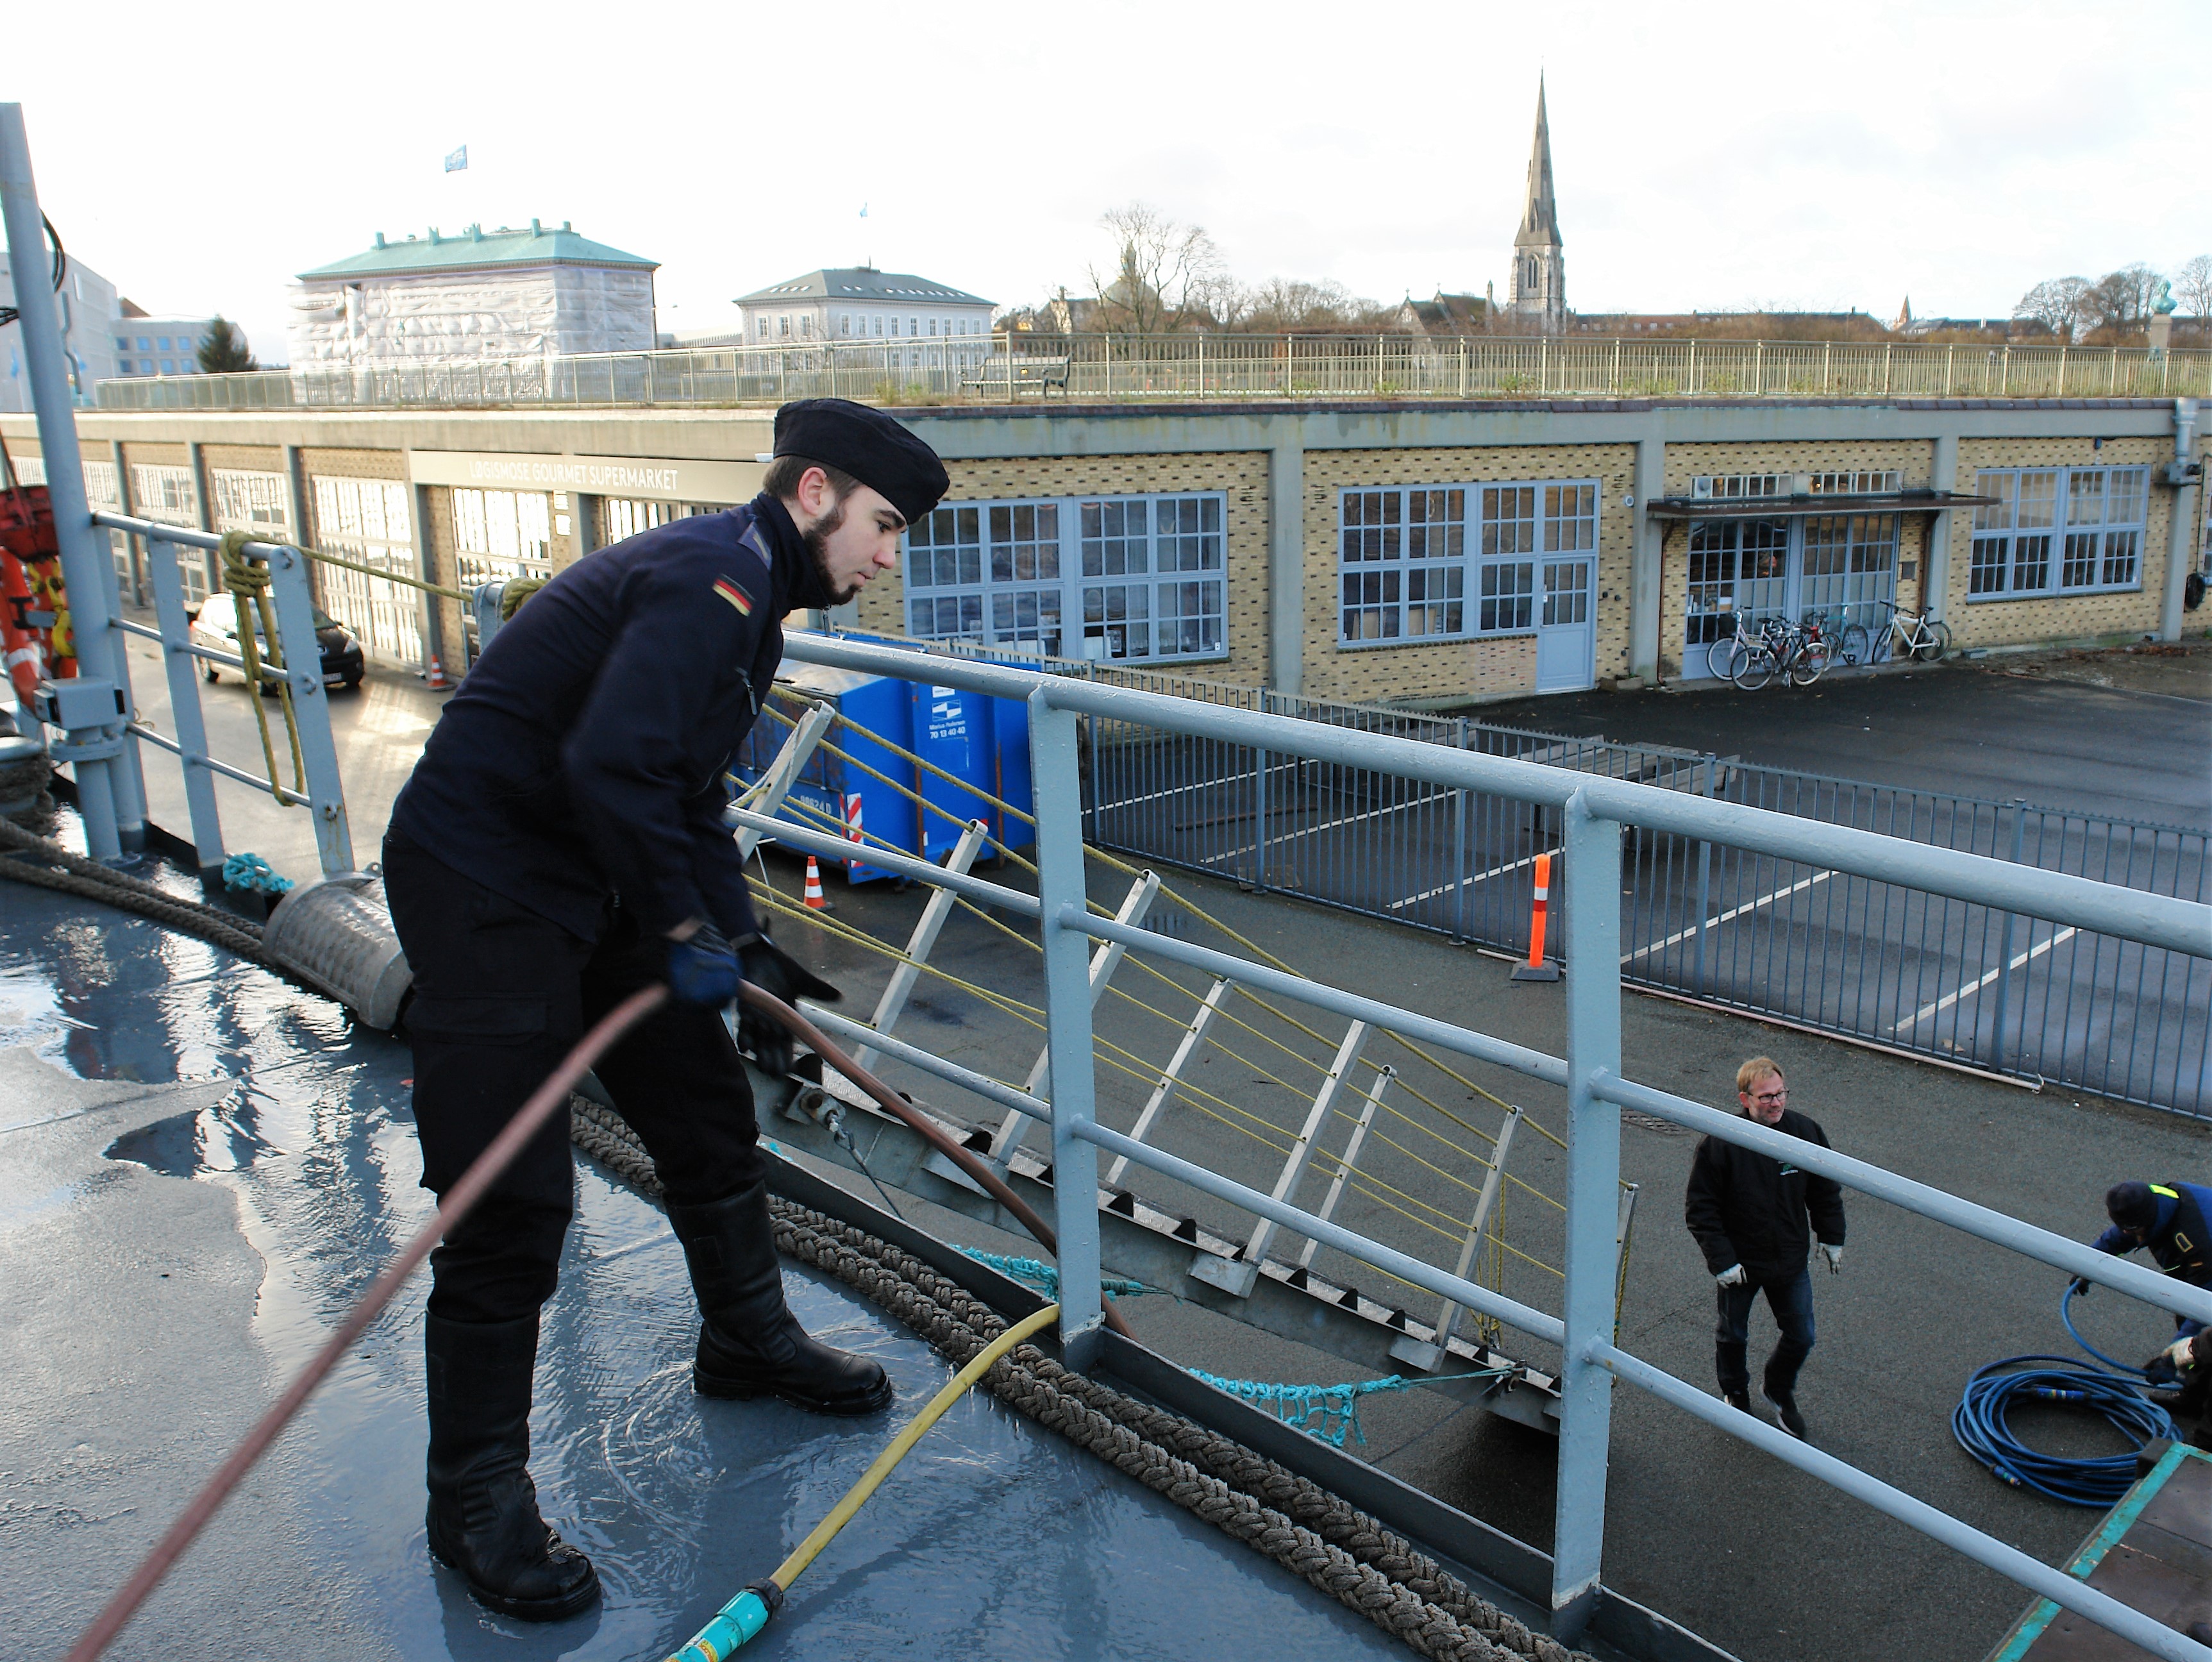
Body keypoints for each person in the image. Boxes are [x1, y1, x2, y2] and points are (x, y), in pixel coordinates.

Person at [381, 398, 948, 1621]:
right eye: (885, 526)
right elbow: (608, 766)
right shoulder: (710, 587)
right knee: (510, 1202)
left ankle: (746, 1337)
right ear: (814, 494)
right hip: (487, 881)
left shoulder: (752, 607)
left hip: (590, 870)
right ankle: (473, 1497)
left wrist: (742, 944)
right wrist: (683, 933)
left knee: (700, 1112)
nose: (889, 558)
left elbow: (680, 791)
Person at [1683, 1057, 1847, 1440]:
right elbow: (1700, 1209)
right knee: (1733, 1334)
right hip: (1741, 1263)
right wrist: (1722, 1261)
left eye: (1781, 1094)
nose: (1776, 1103)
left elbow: (1826, 1190)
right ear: (1745, 1098)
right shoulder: (1721, 1143)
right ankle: (1735, 1391)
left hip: (1789, 1258)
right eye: (1766, 1097)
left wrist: (1832, 1236)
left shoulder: (1805, 1132)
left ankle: (1777, 1388)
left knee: (1802, 1335)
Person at [2070, 1179, 2211, 1346]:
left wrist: (2171, 1357)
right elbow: (2119, 1237)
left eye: (2131, 1227)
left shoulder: (2199, 1242)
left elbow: (2203, 1304)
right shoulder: (2151, 1204)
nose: (2124, 1232)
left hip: (2207, 1263)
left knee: (2198, 1333)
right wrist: (2089, 1266)